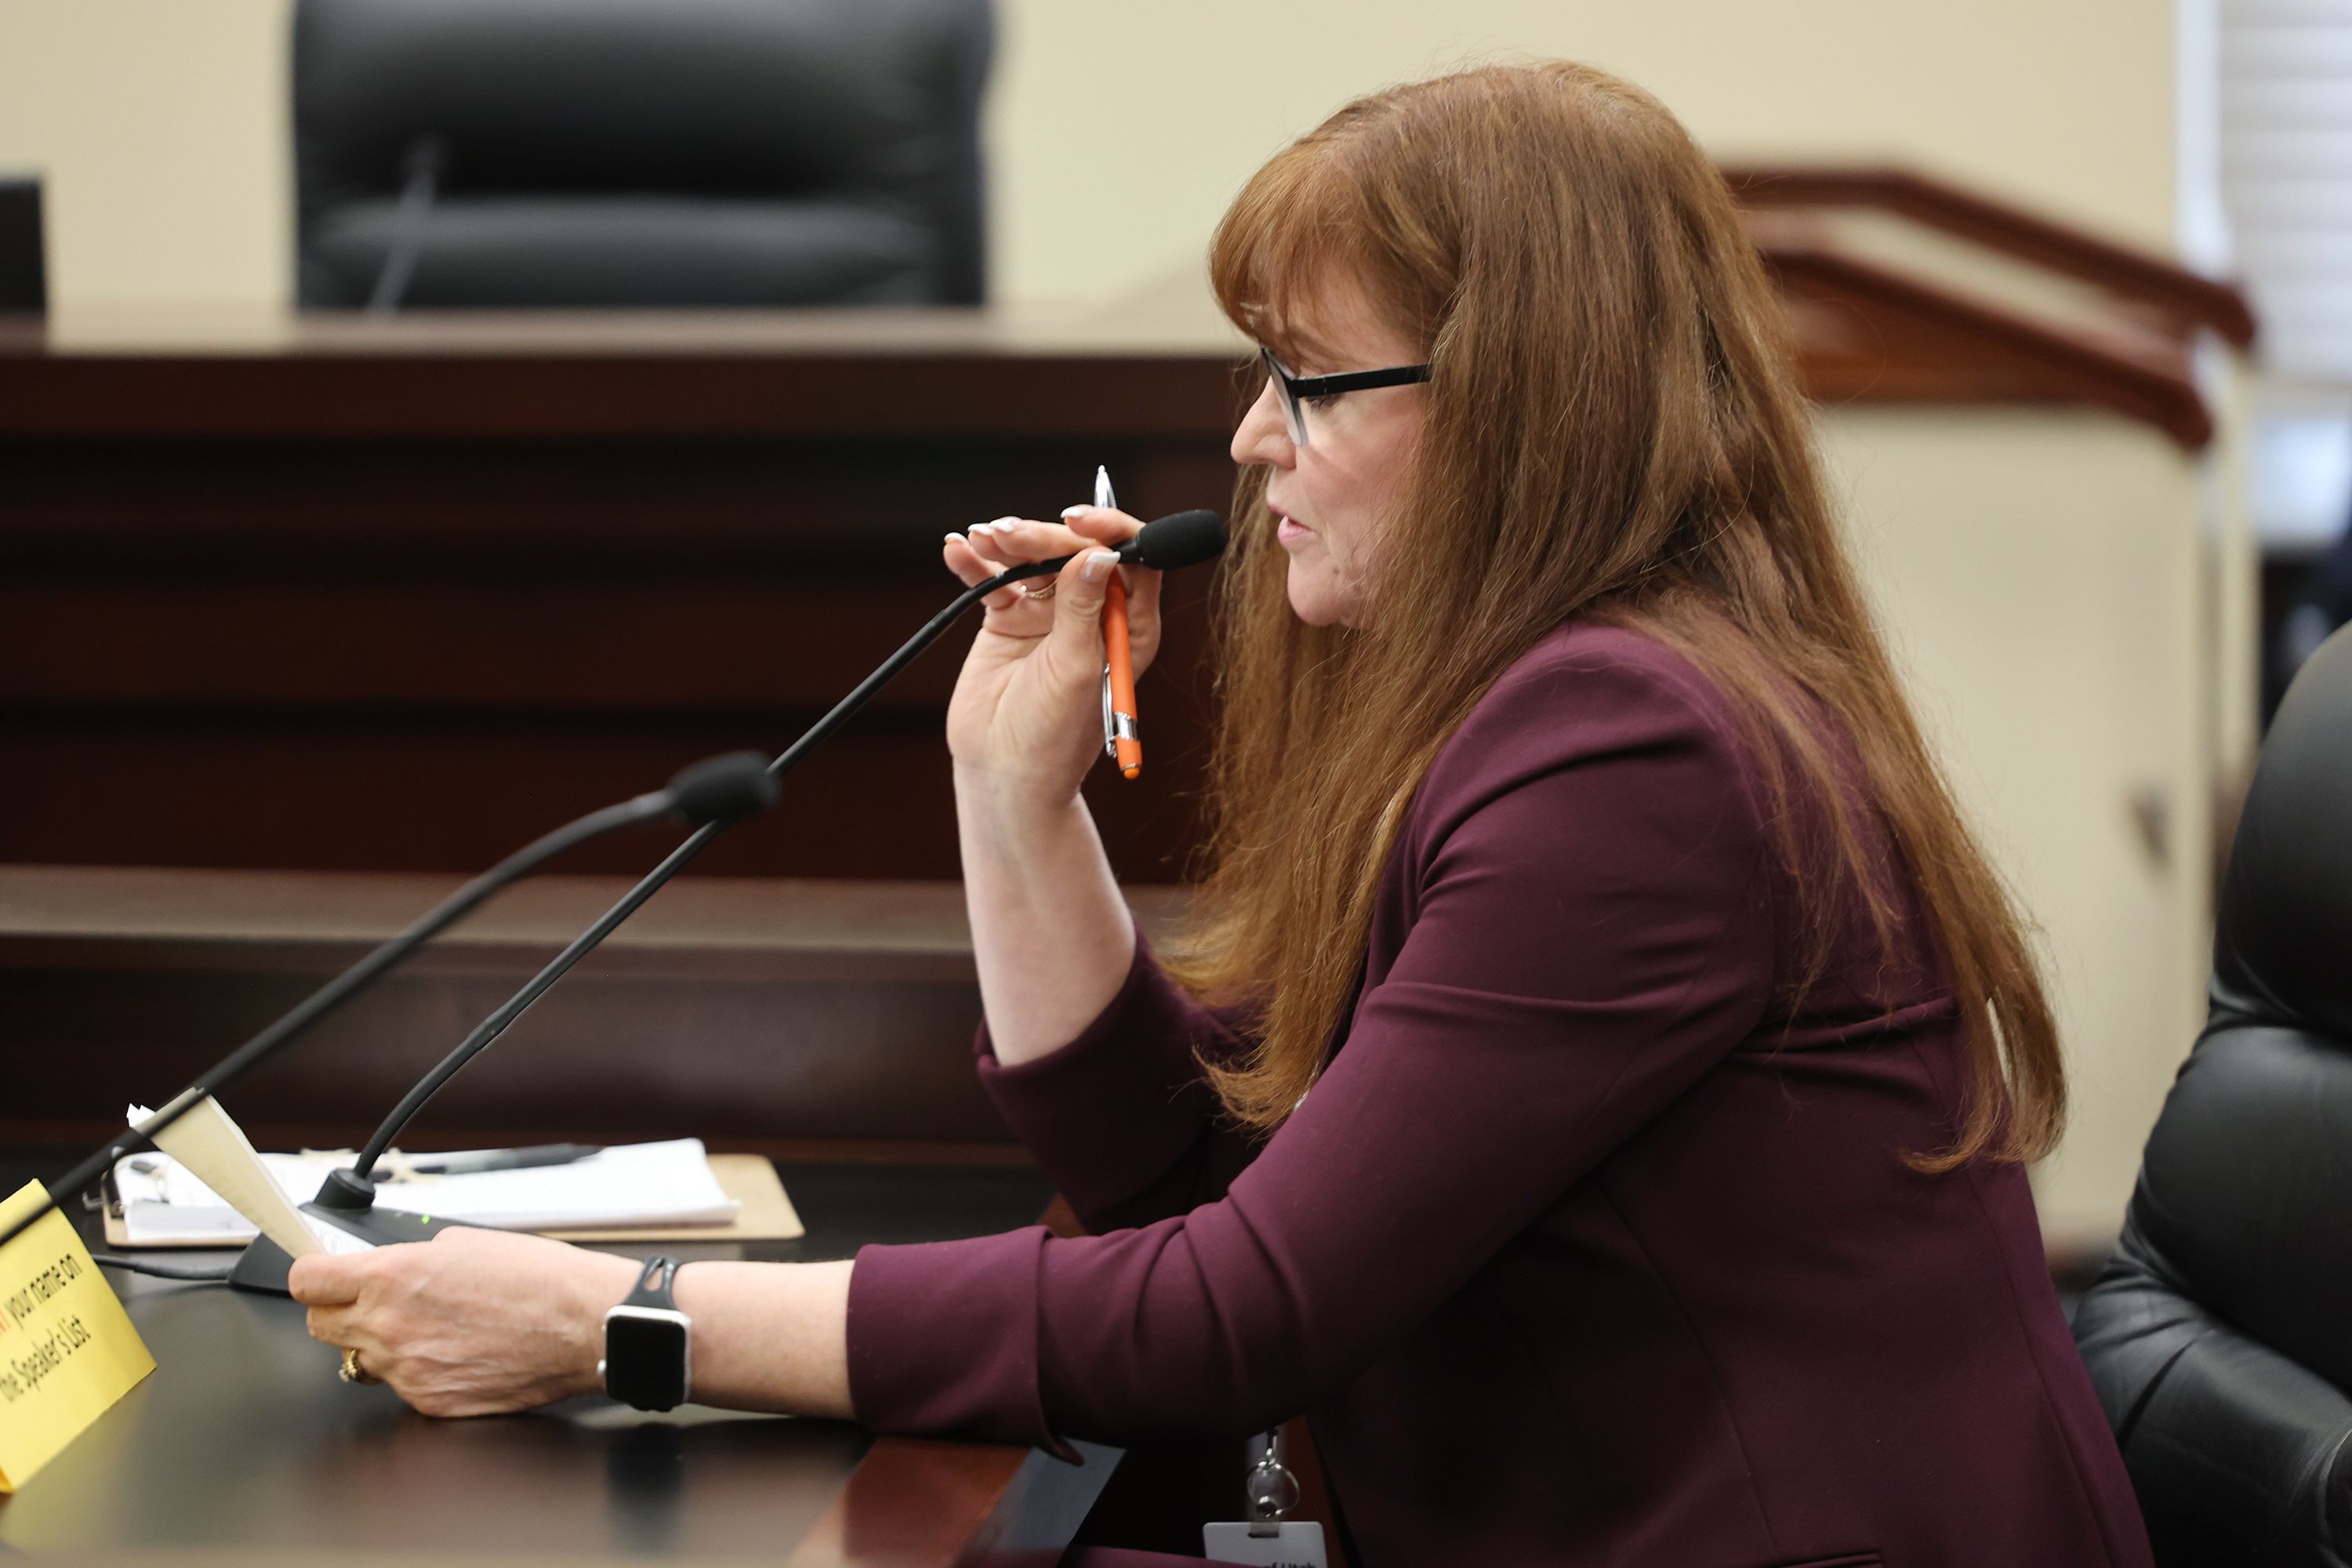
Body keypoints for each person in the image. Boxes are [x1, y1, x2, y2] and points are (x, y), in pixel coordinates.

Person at [291, 61, 2156, 1566]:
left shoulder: (1637, 751)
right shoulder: (1564, 699)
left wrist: (633, 1314)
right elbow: (1196, 1192)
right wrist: (1015, 800)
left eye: (1306, 379)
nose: (1253, 436)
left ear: (1522, 407)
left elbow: (1233, 1311)